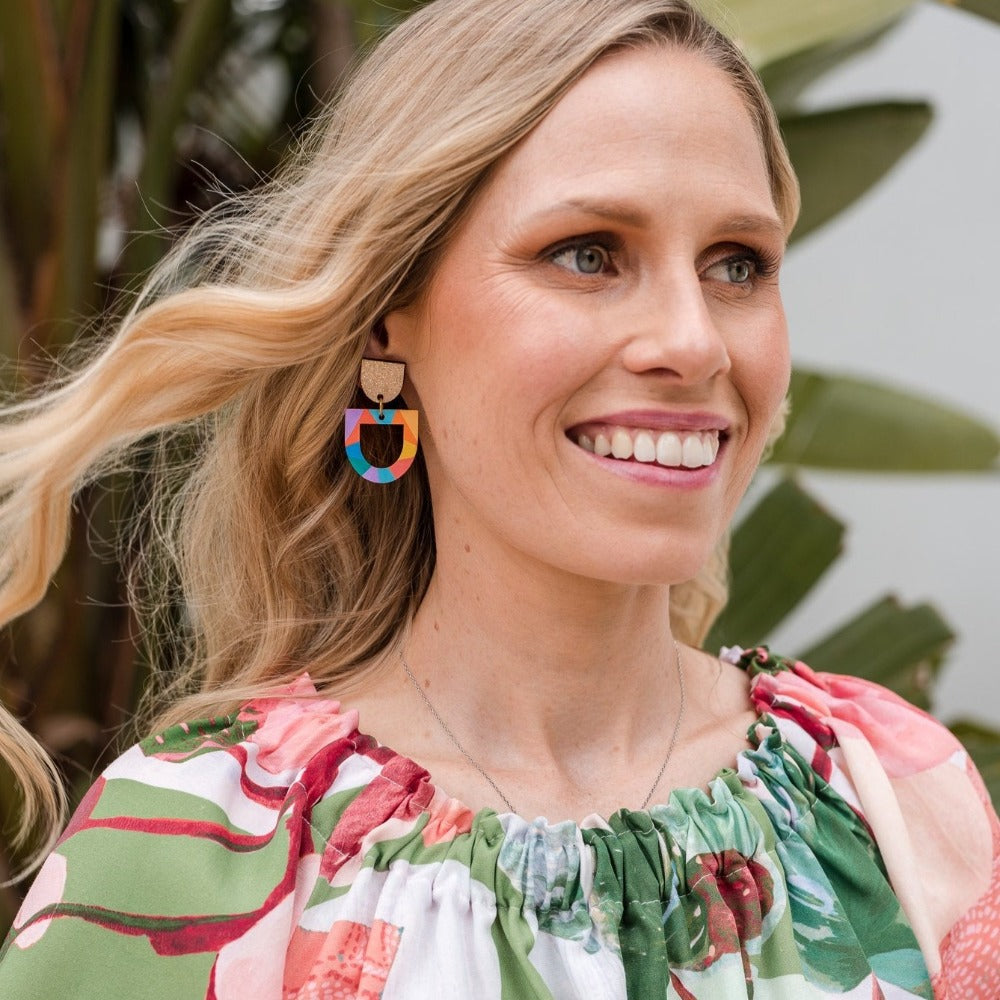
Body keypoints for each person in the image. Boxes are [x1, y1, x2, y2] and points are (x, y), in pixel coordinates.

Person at [0, 0, 997, 996]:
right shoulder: (189, 847)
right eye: (588, 253)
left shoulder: (887, 792)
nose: (694, 341)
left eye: (737, 265)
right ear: (389, 321)